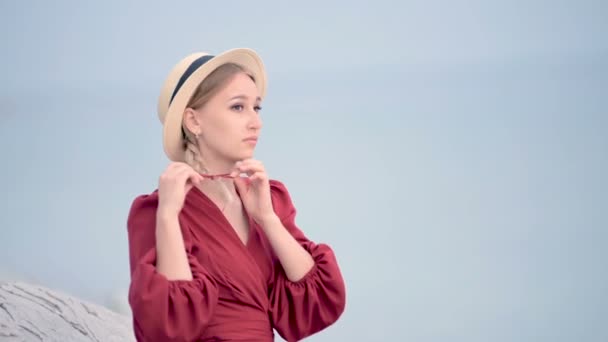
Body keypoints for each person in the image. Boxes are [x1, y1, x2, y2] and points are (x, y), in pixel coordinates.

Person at [126, 48, 346, 342]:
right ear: (193, 121)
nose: (256, 122)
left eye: (257, 108)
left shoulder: (268, 199)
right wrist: (168, 215)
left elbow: (319, 299)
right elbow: (168, 326)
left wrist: (267, 219)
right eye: (238, 107)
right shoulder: (155, 211)